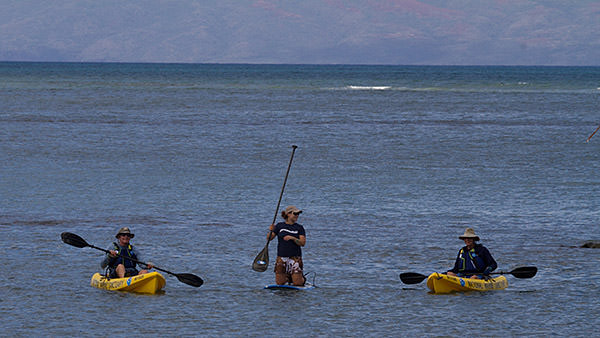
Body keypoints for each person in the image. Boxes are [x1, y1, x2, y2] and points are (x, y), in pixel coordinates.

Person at [268, 205, 306, 286]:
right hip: (281, 257)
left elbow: (302, 243)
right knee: (280, 283)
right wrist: (271, 230)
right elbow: (269, 239)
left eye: (298, 214)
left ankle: (301, 279)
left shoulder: (299, 228)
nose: (297, 216)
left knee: (297, 283)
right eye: (295, 214)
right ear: (288, 214)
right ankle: (288, 277)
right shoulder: (279, 226)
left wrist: (293, 238)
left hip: (295, 258)